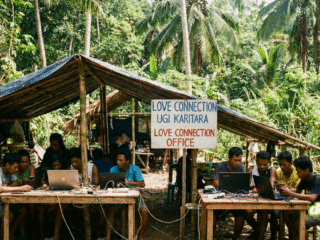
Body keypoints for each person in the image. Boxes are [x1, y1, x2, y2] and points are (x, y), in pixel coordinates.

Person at [102, 148, 147, 240]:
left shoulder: (134, 169)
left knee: (144, 211)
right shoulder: (113, 169)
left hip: (134, 197)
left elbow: (142, 184)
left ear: (127, 161)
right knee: (111, 210)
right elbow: (109, 184)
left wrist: (130, 182)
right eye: (117, 160)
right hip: (119, 196)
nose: (118, 162)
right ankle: (108, 237)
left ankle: (140, 237)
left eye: (121, 160)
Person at [279, 156, 320, 240]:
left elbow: (312, 198)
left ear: (307, 171)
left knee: (300, 221)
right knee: (287, 212)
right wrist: (286, 189)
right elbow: (297, 191)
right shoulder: (305, 179)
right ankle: (294, 237)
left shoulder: (317, 179)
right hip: (310, 209)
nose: (297, 174)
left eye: (298, 172)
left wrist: (290, 193)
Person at [212, 147, 246, 240]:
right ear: (229, 158)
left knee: (241, 216)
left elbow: (244, 184)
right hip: (222, 198)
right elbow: (216, 182)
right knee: (212, 214)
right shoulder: (220, 166)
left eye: (240, 160)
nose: (238, 163)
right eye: (235, 160)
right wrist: (233, 186)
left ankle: (234, 238)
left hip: (236, 199)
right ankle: (210, 236)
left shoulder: (242, 167)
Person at [0, 153, 33, 239]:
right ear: (7, 165)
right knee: (9, 214)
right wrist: (18, 188)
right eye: (15, 167)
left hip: (4, 201)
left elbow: (16, 182)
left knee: (23, 210)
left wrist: (10, 187)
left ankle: (10, 234)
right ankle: (3, 237)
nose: (17, 170)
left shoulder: (10, 173)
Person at [246, 151, 277, 240]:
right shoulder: (251, 169)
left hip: (267, 199)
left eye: (264, 164)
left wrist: (258, 188)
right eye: (260, 164)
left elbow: (271, 185)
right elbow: (247, 185)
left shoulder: (271, 170)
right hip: (253, 199)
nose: (262, 166)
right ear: (256, 162)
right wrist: (258, 187)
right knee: (248, 213)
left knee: (264, 212)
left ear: (268, 162)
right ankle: (257, 229)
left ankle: (260, 237)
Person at [38, 158, 63, 240]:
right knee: (41, 209)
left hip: (59, 200)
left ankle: (56, 235)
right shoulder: (46, 174)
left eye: (58, 165)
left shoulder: (65, 174)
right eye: (54, 165)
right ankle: (41, 235)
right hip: (48, 200)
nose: (56, 167)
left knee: (60, 208)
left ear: (61, 165)